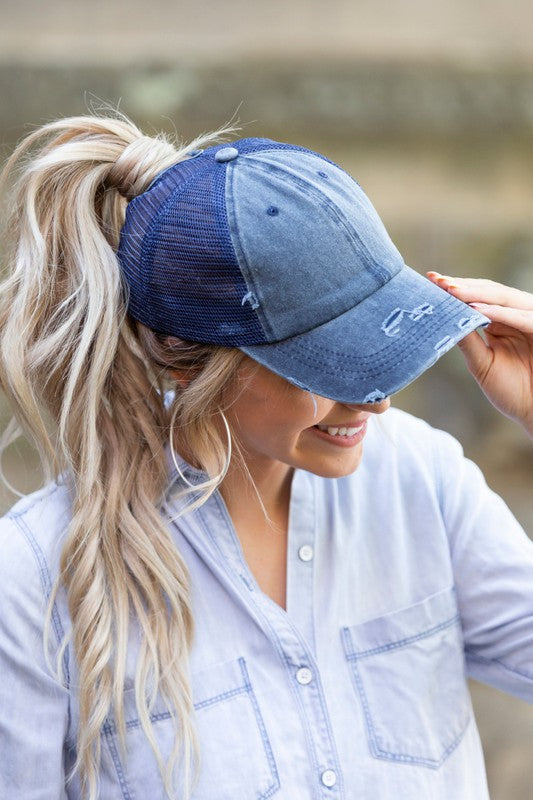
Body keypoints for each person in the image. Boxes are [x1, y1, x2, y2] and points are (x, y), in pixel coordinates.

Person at [0, 113, 531, 800]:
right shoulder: (35, 579)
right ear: (186, 359)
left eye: (378, 345)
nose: (373, 401)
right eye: (326, 367)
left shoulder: (420, 479)